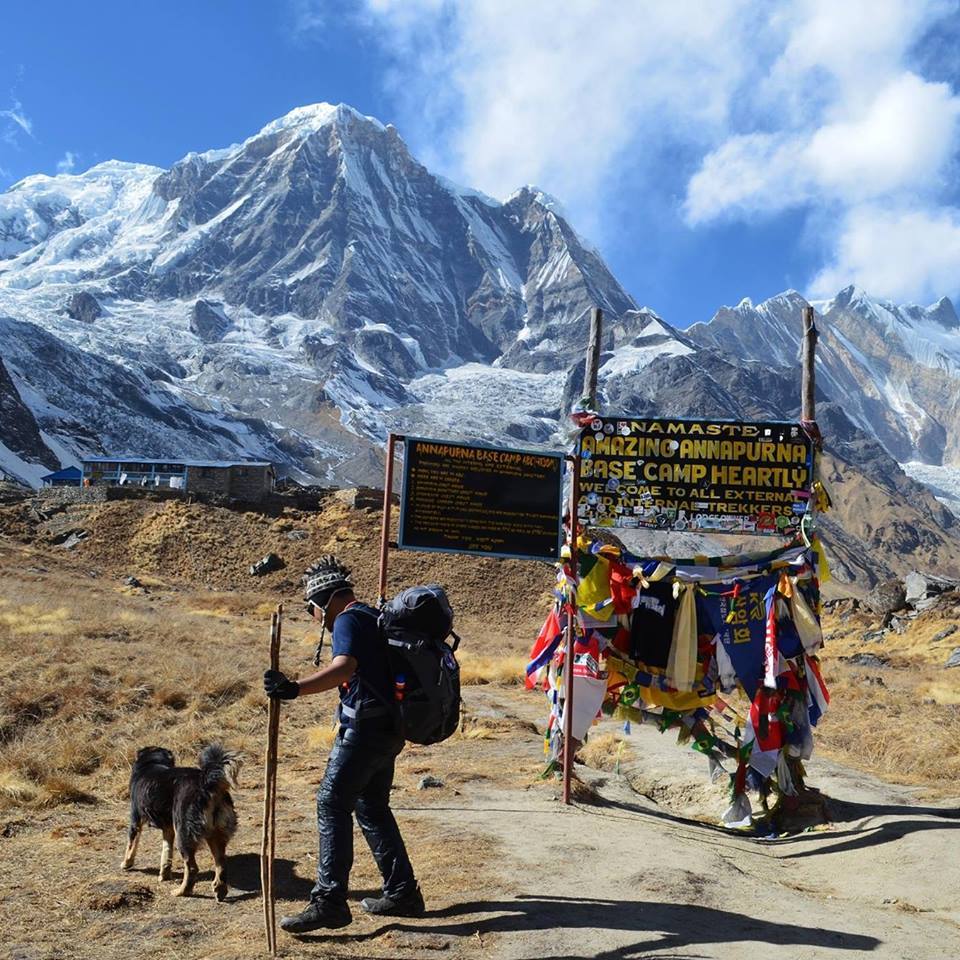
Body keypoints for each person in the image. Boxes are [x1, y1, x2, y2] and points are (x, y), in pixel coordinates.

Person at [263, 555, 424, 934]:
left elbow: (344, 667)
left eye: (311, 608)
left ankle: (329, 902)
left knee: (331, 803)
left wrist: (294, 689)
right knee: (371, 807)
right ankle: (402, 892)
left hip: (364, 732)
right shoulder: (371, 616)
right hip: (388, 730)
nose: (313, 616)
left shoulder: (349, 619)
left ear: (324, 600)